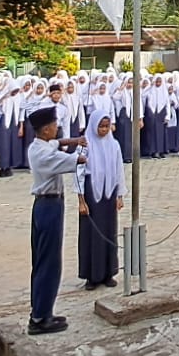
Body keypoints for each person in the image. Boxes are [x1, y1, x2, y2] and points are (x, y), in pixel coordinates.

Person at [25, 106, 86, 335]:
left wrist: (74, 140)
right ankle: (40, 318)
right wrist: (89, 153)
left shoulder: (39, 145)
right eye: (54, 125)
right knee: (49, 262)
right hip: (49, 207)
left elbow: (57, 143)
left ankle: (42, 311)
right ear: (46, 129)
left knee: (42, 260)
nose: (57, 128)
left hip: (44, 206)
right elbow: (75, 160)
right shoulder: (44, 155)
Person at [76, 108, 124, 291]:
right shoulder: (85, 144)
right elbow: (78, 173)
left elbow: (119, 170)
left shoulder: (114, 144)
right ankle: (91, 275)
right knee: (91, 233)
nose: (104, 130)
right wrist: (81, 200)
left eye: (106, 126)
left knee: (109, 231)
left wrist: (120, 195)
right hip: (91, 194)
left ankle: (108, 273)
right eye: (101, 126)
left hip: (109, 193)